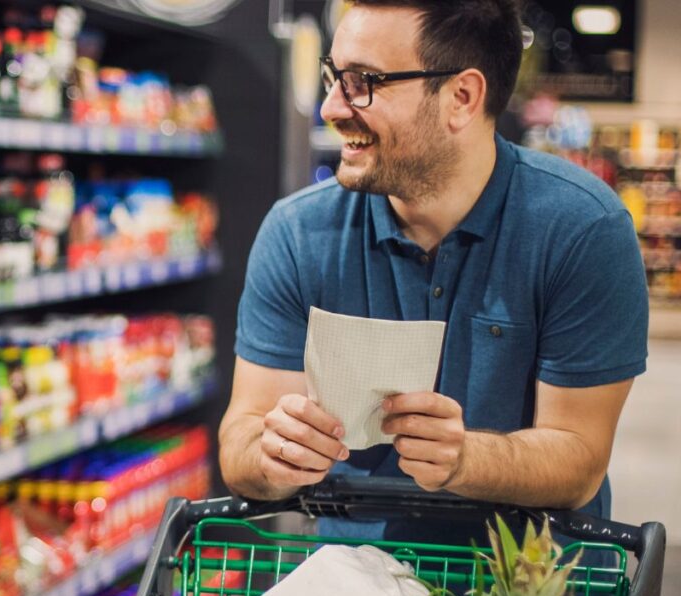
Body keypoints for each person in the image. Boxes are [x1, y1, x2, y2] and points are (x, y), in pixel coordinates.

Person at [218, 0, 648, 538]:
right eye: (333, 77)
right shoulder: (298, 233)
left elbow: (580, 459)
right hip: (351, 594)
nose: (330, 106)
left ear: (461, 98)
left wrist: (466, 458)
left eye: (363, 82)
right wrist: (272, 455)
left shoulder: (582, 229)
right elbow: (240, 444)